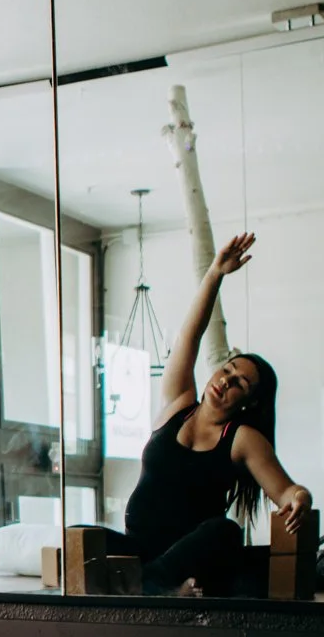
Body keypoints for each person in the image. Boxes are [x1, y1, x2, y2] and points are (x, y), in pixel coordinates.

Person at [111, 232, 311, 595]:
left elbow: (287, 491)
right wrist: (214, 274)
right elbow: (191, 335)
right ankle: (159, 586)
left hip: (189, 554)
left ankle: (152, 587)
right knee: (80, 536)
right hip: (139, 549)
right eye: (229, 370)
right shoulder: (178, 405)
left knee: (226, 531)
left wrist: (301, 498)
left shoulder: (241, 439)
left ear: (248, 403)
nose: (227, 380)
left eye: (241, 384)